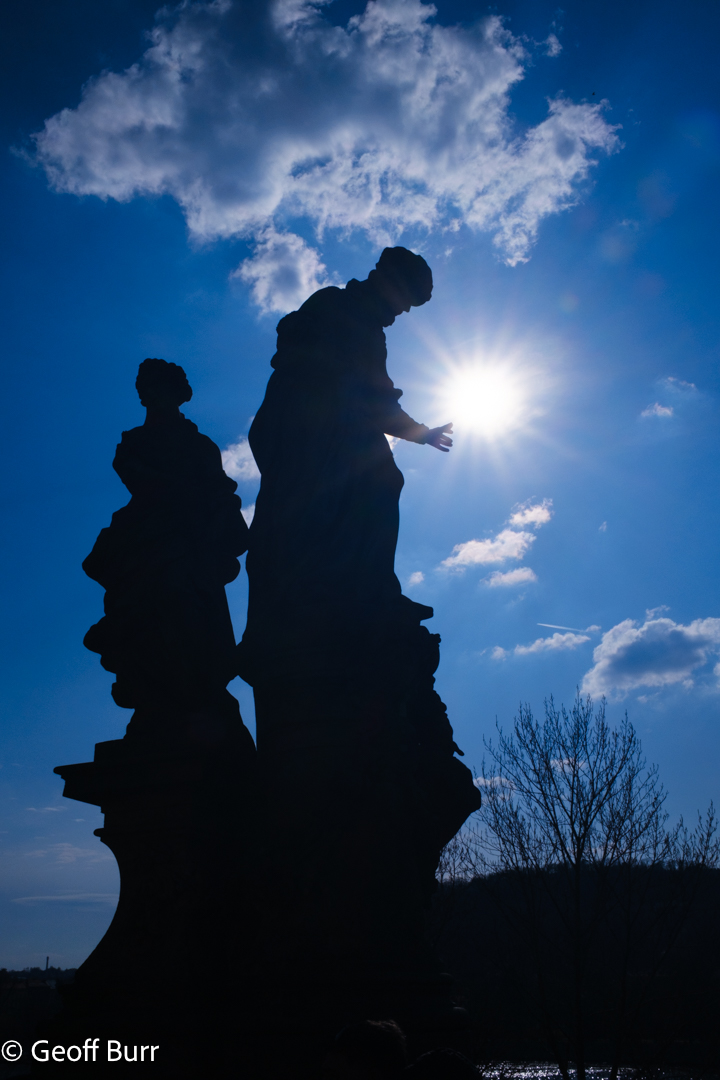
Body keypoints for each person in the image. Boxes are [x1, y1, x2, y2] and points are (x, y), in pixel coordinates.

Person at [239, 246, 451, 686]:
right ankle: (327, 586)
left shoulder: (370, 329)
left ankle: (367, 586)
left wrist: (421, 433)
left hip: (340, 427)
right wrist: (416, 430)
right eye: (403, 301)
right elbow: (302, 355)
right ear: (386, 281)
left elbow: (375, 394)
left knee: (380, 483)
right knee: (348, 493)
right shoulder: (335, 304)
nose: (400, 313)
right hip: (308, 428)